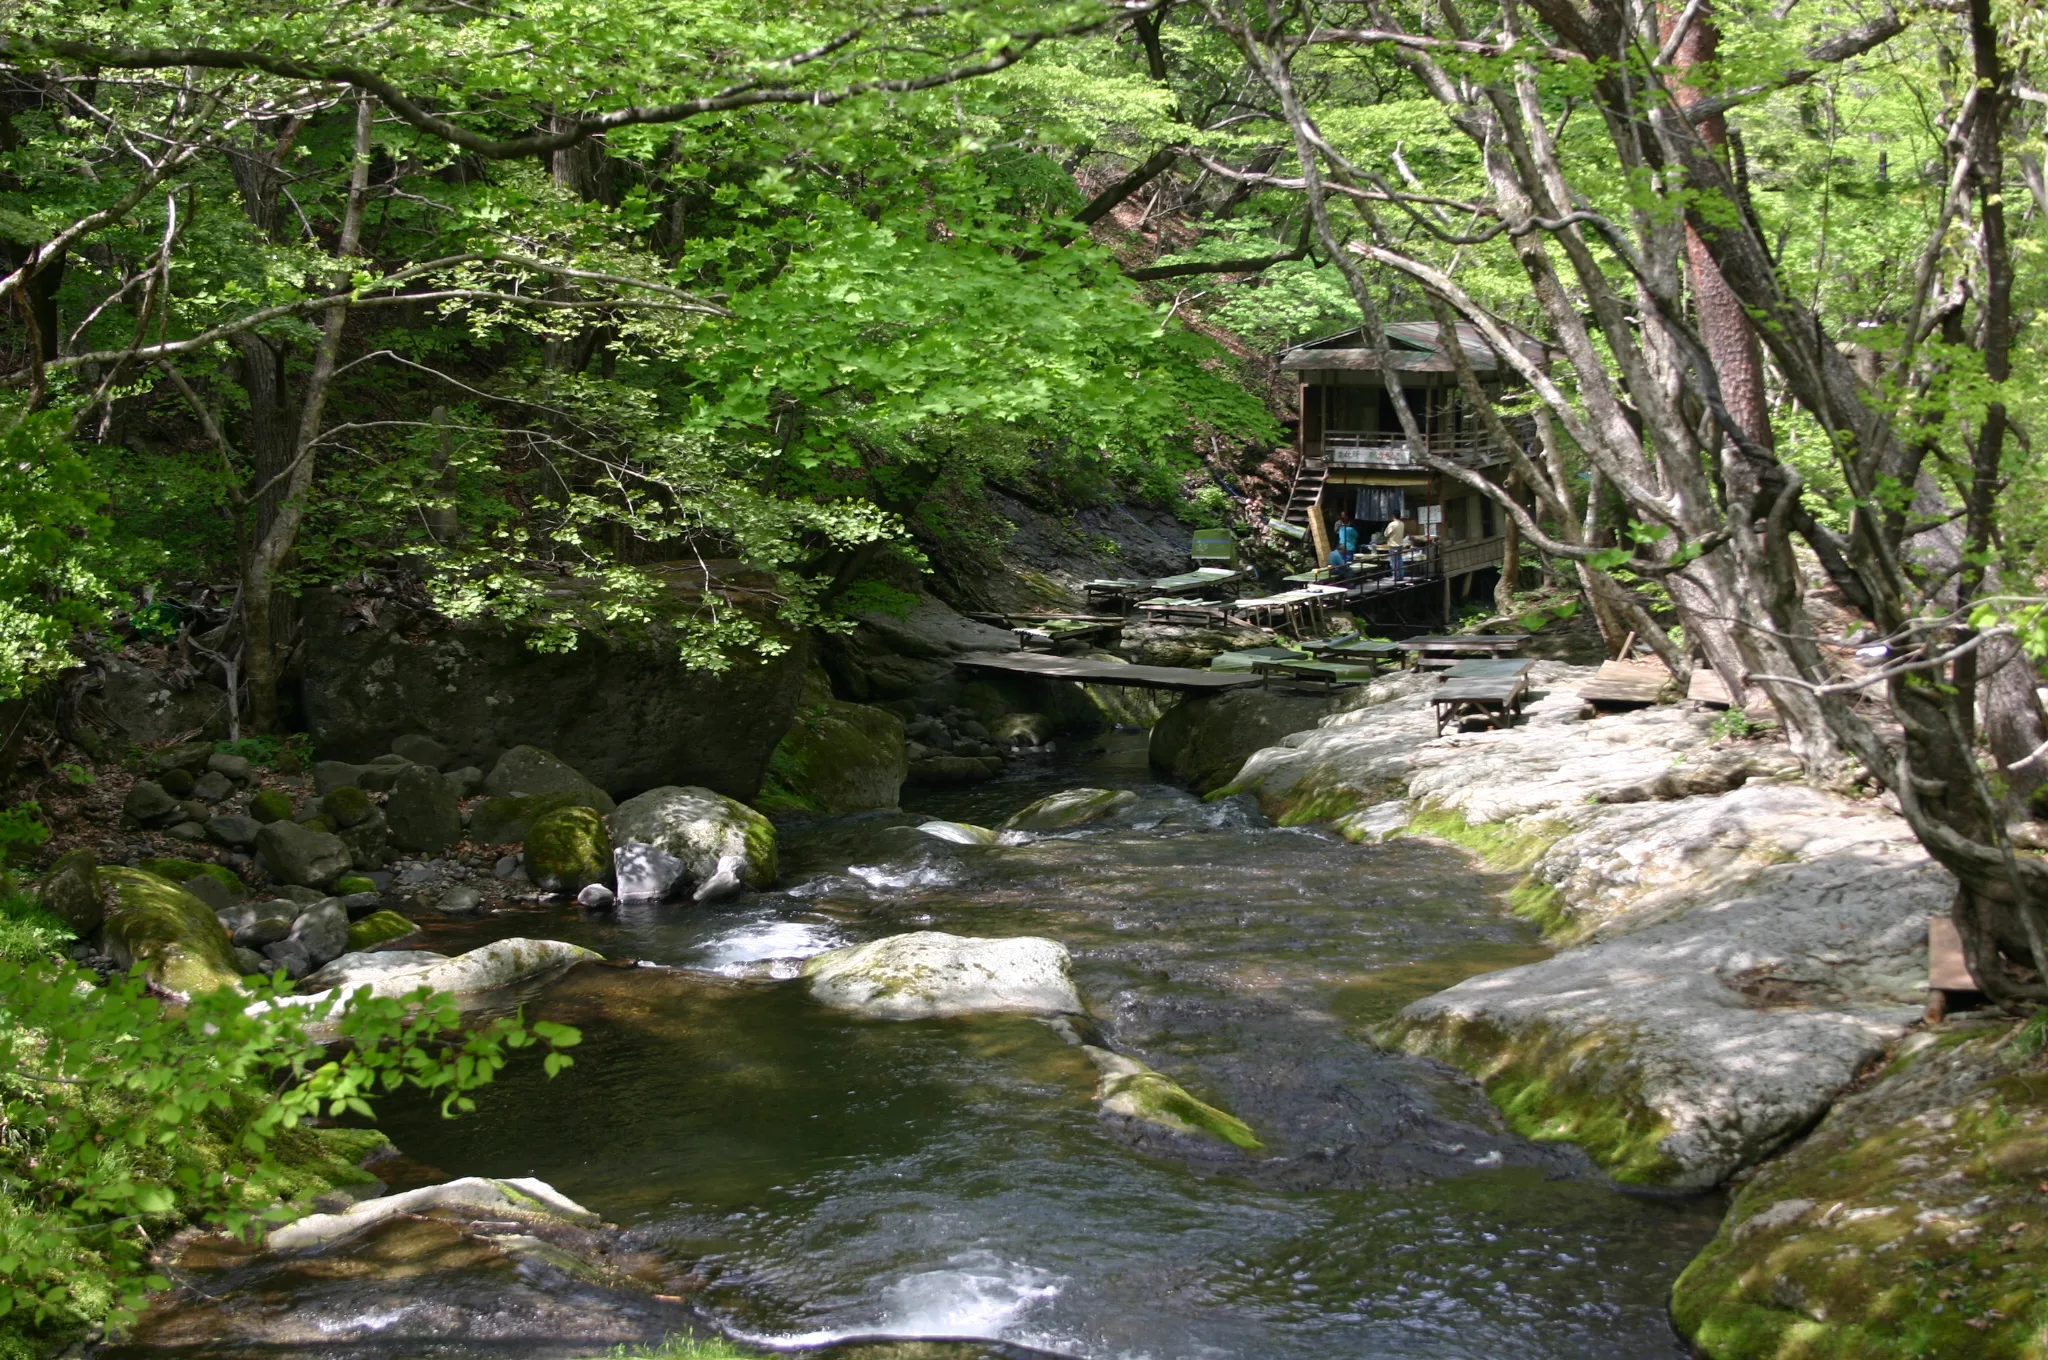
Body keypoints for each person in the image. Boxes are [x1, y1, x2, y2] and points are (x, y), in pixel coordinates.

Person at [1385, 515, 1410, 581]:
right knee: (1399, 560)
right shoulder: (1402, 524)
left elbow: (1386, 534)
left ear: (1393, 516)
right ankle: (1401, 575)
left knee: (1393, 561)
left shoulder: (1392, 524)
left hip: (1393, 545)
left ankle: (1396, 576)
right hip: (1400, 544)